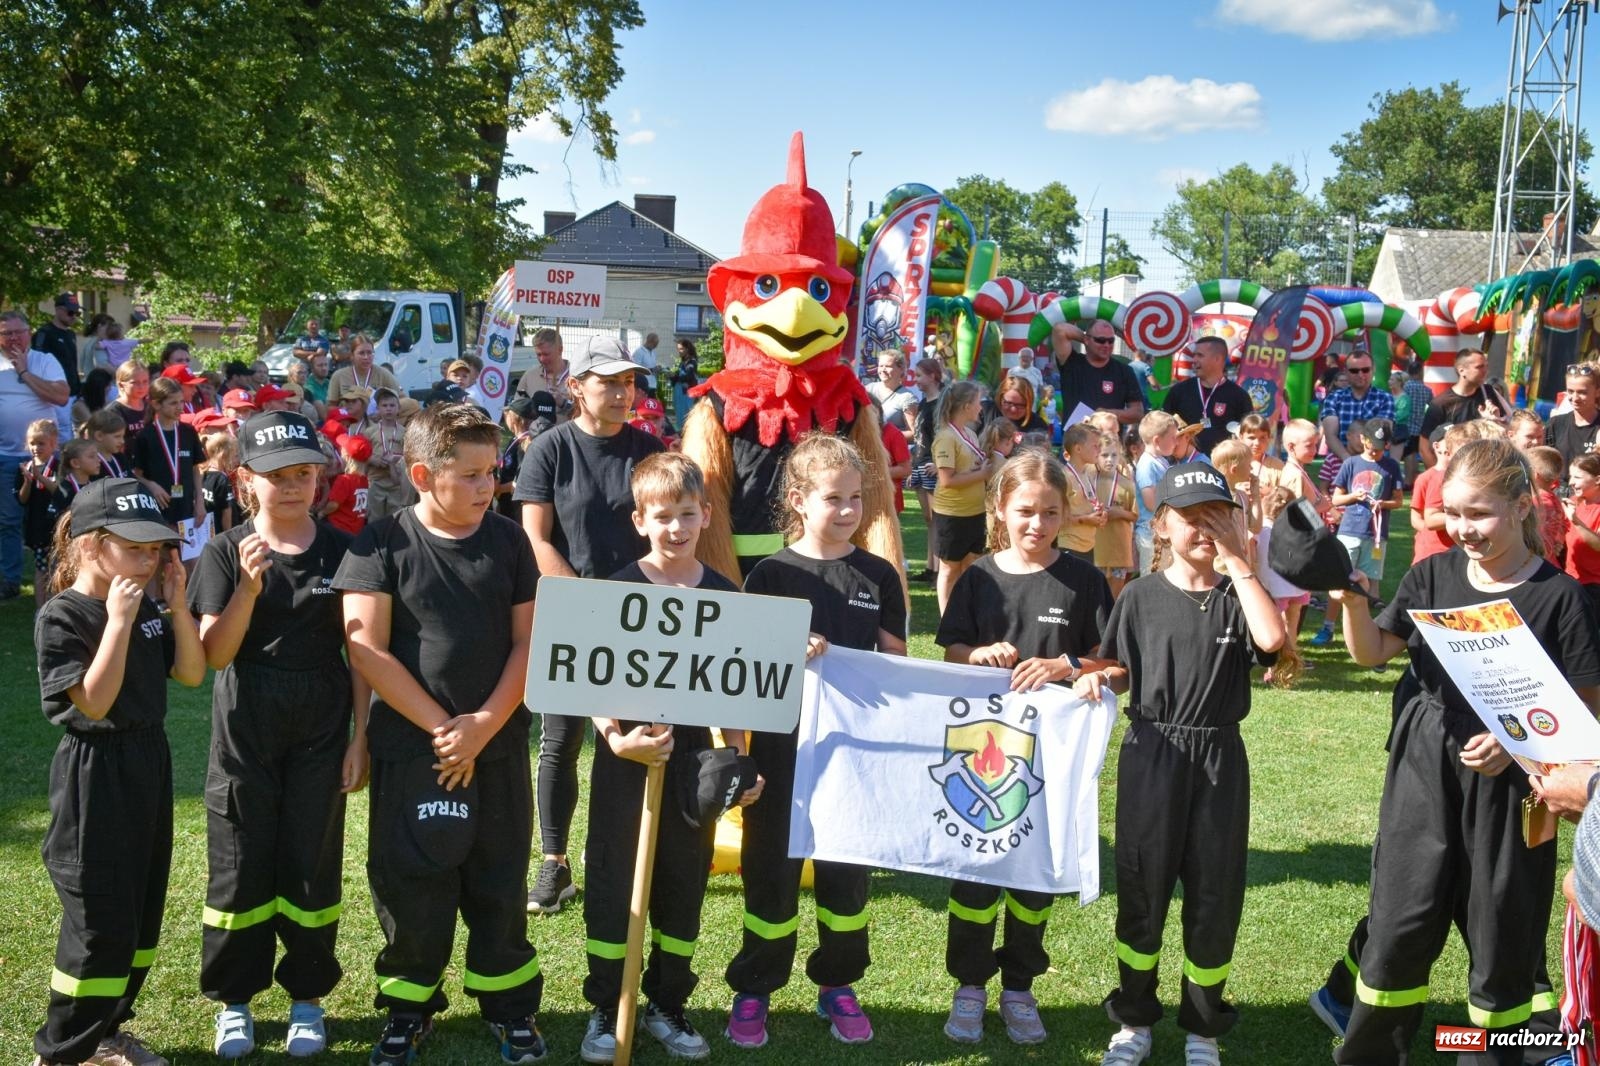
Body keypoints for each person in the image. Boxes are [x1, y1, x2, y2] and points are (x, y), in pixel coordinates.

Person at [1324, 439, 1600, 1065]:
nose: (1462, 529)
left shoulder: (1560, 597)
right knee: (1400, 919)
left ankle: (1496, 1054)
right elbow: (1372, 653)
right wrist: (1351, 600)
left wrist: (1516, 741)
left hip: (1516, 785)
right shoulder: (1431, 574)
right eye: (1451, 513)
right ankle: (1368, 1054)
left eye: (1479, 514)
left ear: (1522, 506)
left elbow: (1587, 713)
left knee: (1501, 928)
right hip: (1424, 765)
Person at [333, 404, 546, 1066]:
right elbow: (364, 648)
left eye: (494, 472)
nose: (489, 487)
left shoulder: (510, 541)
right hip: (412, 750)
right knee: (411, 882)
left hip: (498, 745)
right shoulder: (379, 543)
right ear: (424, 474)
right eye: (473, 475)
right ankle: (407, 1010)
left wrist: (482, 727)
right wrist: (442, 729)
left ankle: (510, 1010)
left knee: (499, 879)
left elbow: (530, 641)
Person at [1082, 463, 1284, 1066]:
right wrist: (1096, 681)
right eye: (1191, 518)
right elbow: (1118, 666)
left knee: (1214, 892)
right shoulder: (1140, 596)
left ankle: (1202, 1026)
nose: (1205, 529)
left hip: (1219, 756)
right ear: (1162, 525)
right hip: (1154, 753)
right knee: (1142, 888)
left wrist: (1239, 559)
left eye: (1217, 517)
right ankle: (1135, 1021)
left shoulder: (1237, 594)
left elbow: (1272, 640)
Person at [187, 411, 367, 1059]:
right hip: (246, 728)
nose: (291, 487)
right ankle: (235, 1002)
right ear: (245, 481)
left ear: (321, 478)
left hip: (323, 722)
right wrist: (248, 586)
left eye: (303, 474)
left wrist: (360, 737)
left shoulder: (345, 550)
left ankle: (306, 998)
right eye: (275, 476)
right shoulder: (222, 549)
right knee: (240, 865)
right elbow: (213, 655)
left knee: (312, 866)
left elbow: (361, 652)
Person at [577, 452, 762, 1064]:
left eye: (687, 514)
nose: (676, 528)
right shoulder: (617, 590)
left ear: (706, 515)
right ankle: (609, 1005)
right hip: (627, 757)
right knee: (615, 881)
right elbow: (588, 682)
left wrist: (736, 762)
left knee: (683, 883)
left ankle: (666, 1002)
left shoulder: (724, 593)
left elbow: (736, 690)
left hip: (691, 765)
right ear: (640, 521)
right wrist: (615, 737)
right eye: (663, 517)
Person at [725, 433, 907, 1050]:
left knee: (845, 880)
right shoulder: (771, 574)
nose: (850, 510)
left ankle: (838, 983)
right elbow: (743, 671)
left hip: (854, 758)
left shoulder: (877, 574)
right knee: (771, 874)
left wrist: (862, 659)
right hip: (784, 752)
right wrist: (785, 651)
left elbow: (897, 662)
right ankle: (755, 987)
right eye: (835, 499)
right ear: (799, 500)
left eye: (857, 498)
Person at [937, 449, 1114, 1048]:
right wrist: (974, 655)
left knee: (1036, 878)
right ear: (998, 510)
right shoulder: (979, 577)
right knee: (976, 875)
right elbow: (951, 650)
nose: (1036, 525)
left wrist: (1075, 668)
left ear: (1066, 513)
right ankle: (968, 985)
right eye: (1024, 512)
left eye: (1048, 512)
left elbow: (1113, 660)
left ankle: (1019, 986)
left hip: (1050, 760)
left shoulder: (1085, 579)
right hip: (982, 751)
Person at [31, 478, 204, 1066]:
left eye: (156, 548)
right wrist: (119, 621)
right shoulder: (65, 614)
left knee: (139, 908)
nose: (150, 559)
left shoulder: (149, 602)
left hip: (147, 762)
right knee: (99, 918)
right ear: (88, 546)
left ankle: (105, 1032)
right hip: (95, 771)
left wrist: (176, 606)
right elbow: (95, 703)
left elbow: (190, 673)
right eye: (135, 547)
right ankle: (63, 1050)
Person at [514, 337, 660, 914]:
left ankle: (618, 858)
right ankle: (554, 864)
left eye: (629, 382)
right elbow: (533, 537)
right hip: (569, 611)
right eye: (609, 382)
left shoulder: (649, 450)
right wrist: (580, 605)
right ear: (576, 386)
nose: (624, 393)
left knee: (630, 738)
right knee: (561, 740)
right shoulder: (549, 449)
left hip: (641, 616)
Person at [1313, 420, 1404, 649]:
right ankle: (1328, 627)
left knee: (1363, 584)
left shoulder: (1392, 466)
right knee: (1340, 580)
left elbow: (1399, 501)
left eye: (1381, 447)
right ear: (1363, 440)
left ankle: (1360, 633)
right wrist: (1355, 497)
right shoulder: (1351, 463)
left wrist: (1382, 503)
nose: (1375, 451)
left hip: (1375, 533)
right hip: (1350, 530)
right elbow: (1336, 498)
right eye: (1372, 445)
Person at [0, 310, 72, 600]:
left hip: (46, 457)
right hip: (5, 455)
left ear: (29, 333)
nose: (14, 337)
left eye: (19, 331)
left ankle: (57, 577)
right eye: (7, 333)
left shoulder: (45, 360)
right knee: (8, 520)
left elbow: (61, 396)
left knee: (51, 518)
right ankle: (10, 580)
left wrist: (24, 373)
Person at [930, 381, 997, 615]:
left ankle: (964, 612)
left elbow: (967, 471)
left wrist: (981, 469)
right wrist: (982, 473)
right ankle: (946, 616)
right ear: (967, 406)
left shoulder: (969, 433)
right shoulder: (946, 437)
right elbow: (947, 480)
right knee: (949, 568)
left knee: (970, 564)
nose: (981, 407)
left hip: (975, 510)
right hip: (952, 514)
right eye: (978, 402)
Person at [131, 378, 204, 532]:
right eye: (173, 403)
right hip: (158, 510)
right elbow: (136, 475)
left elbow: (195, 469)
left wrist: (200, 502)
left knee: (189, 554)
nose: (180, 407)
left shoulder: (188, 432)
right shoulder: (145, 436)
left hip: (186, 507)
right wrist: (151, 485)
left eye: (181, 402)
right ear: (156, 404)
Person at [1160, 336, 1252, 457]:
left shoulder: (1239, 396)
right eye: (1194, 355)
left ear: (1217, 359)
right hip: (1186, 466)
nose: (1194, 360)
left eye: (1200, 355)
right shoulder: (1179, 392)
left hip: (1225, 467)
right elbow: (1164, 428)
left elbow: (1249, 434)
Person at [1418, 349, 1512, 465]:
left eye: (1486, 366)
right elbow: (1424, 448)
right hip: (1456, 470)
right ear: (1462, 371)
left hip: (1485, 468)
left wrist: (1495, 420)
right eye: (1479, 367)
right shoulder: (1440, 404)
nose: (1485, 371)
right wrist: (1441, 477)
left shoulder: (1488, 393)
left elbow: (1509, 428)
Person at [1050, 320, 1145, 426]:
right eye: (1100, 340)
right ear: (1087, 339)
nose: (1106, 345)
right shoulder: (1072, 362)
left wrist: (1107, 413)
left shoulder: (1124, 371)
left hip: (1108, 439)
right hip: (1076, 439)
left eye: (1111, 340)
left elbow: (1138, 412)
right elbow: (1060, 329)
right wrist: (1087, 341)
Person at [1319, 352, 1395, 470]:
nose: (1360, 374)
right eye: (1354, 370)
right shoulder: (1334, 398)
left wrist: (1364, 464)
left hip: (1374, 464)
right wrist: (1349, 462)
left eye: (1365, 370)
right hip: (1340, 465)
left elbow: (1382, 435)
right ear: (1346, 371)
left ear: (1373, 369)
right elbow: (1330, 436)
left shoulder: (1385, 398)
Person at [907, 357, 945, 582]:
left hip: (932, 464)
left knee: (936, 519)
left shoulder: (941, 403)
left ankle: (939, 569)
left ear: (933, 376)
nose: (916, 380)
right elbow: (920, 436)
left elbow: (942, 435)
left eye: (920, 375)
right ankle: (931, 567)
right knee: (928, 519)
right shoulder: (923, 402)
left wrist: (940, 464)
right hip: (921, 463)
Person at [16, 418, 60, 604]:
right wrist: (27, 481)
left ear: (53, 443)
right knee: (41, 569)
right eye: (32, 443)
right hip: (37, 528)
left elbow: (59, 491)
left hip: (57, 526)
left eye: (41, 443)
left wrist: (40, 477)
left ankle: (58, 605)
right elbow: (22, 499)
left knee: (58, 569)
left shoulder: (59, 466)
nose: (36, 448)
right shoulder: (24, 468)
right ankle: (41, 609)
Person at [1133, 412, 1180, 576]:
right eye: (1173, 437)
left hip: (1161, 532)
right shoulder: (1146, 465)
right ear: (1157, 441)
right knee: (1151, 577)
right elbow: (1150, 502)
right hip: (1149, 534)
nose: (1177, 442)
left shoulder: (1162, 461)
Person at [361, 388, 416, 521]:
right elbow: (361, 456)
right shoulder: (369, 432)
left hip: (396, 483)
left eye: (392, 405)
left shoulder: (405, 432)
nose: (388, 409)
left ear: (398, 408)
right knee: (375, 519)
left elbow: (409, 457)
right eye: (384, 406)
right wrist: (372, 459)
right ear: (378, 409)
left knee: (395, 519)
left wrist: (395, 459)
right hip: (375, 481)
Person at [1059, 424, 1106, 565]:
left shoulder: (1087, 473)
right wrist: (1086, 519)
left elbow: (1086, 506)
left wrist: (1099, 515)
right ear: (1078, 449)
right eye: (1095, 446)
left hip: (1088, 546)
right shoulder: (1063, 477)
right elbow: (1056, 517)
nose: (1099, 450)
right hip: (1069, 545)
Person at [327, 334, 400, 417]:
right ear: (352, 356)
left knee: (411, 404)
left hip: (377, 424)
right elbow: (331, 406)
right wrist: (346, 413)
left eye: (369, 353)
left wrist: (384, 411)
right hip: (349, 422)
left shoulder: (383, 373)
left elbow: (401, 398)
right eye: (361, 353)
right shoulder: (338, 376)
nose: (366, 357)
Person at [1548, 363, 1600, 474]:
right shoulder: (1556, 424)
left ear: (1597, 392)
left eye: (1582, 392)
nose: (1575, 398)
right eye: (1570, 391)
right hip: (1557, 489)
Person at [31, 293, 84, 400]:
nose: (74, 316)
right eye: (70, 312)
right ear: (58, 310)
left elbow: (72, 364)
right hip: (53, 395)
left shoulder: (71, 334)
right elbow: (36, 364)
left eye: (77, 313)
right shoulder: (44, 333)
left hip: (73, 393)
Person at [319, 433, 371, 536]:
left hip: (339, 529)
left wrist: (322, 513)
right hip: (356, 529)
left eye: (341, 450)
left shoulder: (344, 480)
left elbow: (333, 505)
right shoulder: (364, 480)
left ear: (346, 457)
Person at [513, 328, 571, 415]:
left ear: (560, 350)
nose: (542, 359)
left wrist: (564, 404)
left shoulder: (577, 377)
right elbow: (516, 409)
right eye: (538, 354)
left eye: (546, 354)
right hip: (535, 428)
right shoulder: (530, 376)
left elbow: (589, 415)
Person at [1528, 445, 1569, 570]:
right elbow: (1565, 526)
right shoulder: (1555, 500)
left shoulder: (1537, 503)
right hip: (1551, 562)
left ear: (1534, 474)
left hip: (1537, 565)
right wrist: (1557, 542)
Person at [867, 350, 920, 433]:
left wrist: (885, 437)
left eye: (888, 366)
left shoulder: (907, 398)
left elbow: (914, 434)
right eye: (881, 366)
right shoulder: (869, 389)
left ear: (901, 369)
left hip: (888, 445)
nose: (883, 370)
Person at [1399, 360, 1433, 485]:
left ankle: (1408, 481)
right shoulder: (1427, 390)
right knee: (1414, 452)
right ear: (1420, 372)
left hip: (1407, 424)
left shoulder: (1406, 387)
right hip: (1420, 425)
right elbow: (1432, 405)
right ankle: (1414, 479)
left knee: (1408, 454)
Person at [985, 375, 1050, 439]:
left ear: (1029, 404)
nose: (1013, 409)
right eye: (1008, 403)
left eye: (1020, 405)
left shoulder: (1038, 426)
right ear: (1000, 398)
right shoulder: (984, 412)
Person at [199, 433, 238, 537]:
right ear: (224, 455)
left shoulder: (201, 474)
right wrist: (229, 537)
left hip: (205, 533)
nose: (235, 461)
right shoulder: (222, 479)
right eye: (234, 456)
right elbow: (226, 513)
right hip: (220, 534)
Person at [668, 339, 699, 428]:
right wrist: (672, 376)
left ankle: (686, 432)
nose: (679, 351)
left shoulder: (692, 362)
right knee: (680, 413)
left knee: (686, 413)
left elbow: (689, 376)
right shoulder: (683, 362)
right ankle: (682, 431)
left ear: (687, 349)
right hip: (680, 392)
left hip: (686, 393)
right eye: (678, 349)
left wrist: (675, 376)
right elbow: (680, 376)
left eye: (681, 349)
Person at [630, 331, 661, 398]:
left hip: (652, 384)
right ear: (649, 341)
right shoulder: (639, 352)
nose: (656, 347)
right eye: (655, 344)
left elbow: (651, 366)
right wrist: (652, 370)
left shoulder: (653, 352)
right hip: (643, 385)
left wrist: (657, 368)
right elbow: (635, 368)